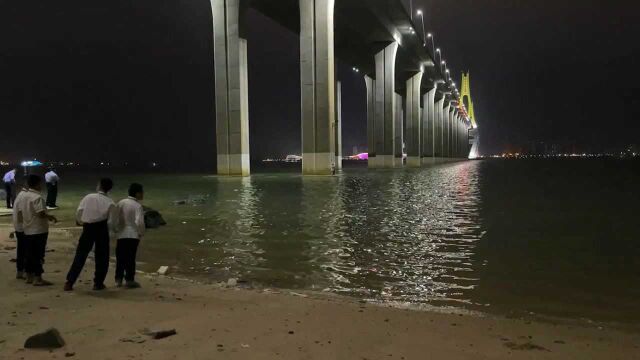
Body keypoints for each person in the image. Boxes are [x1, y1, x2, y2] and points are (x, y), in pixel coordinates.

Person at [64, 178, 117, 291]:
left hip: (88, 227)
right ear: (109, 189)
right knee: (102, 257)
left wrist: (79, 221)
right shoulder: (110, 202)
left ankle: (70, 281)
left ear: (99, 186)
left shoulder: (88, 197)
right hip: (101, 228)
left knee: (81, 254)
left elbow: (79, 212)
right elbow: (111, 222)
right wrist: (111, 232)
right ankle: (98, 283)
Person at [21, 175, 57, 286]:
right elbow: (40, 213)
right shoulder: (37, 197)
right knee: (38, 255)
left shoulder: (24, 196)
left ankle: (29, 276)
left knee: (29, 254)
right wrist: (50, 217)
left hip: (27, 229)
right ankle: (38, 277)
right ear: (37, 184)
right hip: (38, 230)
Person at [115, 183, 145, 288]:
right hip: (133, 235)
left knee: (120, 257)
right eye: (142, 192)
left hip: (121, 234)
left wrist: (116, 229)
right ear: (137, 194)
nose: (143, 194)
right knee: (130, 258)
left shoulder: (121, 202)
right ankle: (129, 279)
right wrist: (141, 233)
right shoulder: (138, 206)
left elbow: (116, 218)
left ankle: (118, 279)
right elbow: (139, 222)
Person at [11, 180, 28, 279]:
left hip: (19, 227)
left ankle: (20, 270)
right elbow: (21, 213)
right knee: (26, 250)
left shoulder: (20, 195)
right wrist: (26, 226)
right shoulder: (24, 197)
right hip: (23, 228)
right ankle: (25, 271)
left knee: (21, 249)